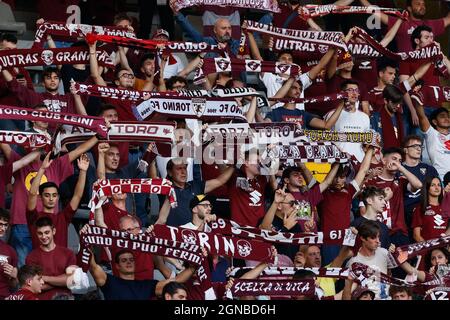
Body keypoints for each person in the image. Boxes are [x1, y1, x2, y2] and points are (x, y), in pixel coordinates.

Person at [26, 152, 89, 248]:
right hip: (38, 262)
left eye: (54, 195)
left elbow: (77, 196)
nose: (51, 198)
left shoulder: (63, 217)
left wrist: (83, 171)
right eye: (47, 195)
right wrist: (42, 169)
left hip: (62, 262)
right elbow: (32, 194)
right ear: (40, 197)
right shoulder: (34, 217)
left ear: (58, 197)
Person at [362, 147, 423, 246]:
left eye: (399, 161)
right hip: (378, 233)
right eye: (394, 159)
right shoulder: (372, 181)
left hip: (400, 232)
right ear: (384, 160)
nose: (397, 163)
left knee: (402, 261)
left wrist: (401, 167)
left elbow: (418, 185)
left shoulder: (400, 180)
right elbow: (364, 211)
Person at [87, 248, 197, 300]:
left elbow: (176, 281)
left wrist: (193, 267)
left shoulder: (147, 285)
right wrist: (86, 245)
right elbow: (93, 266)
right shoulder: (110, 281)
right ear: (117, 266)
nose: (129, 262)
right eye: (124, 260)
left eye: (131, 259)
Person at [156, 157, 234, 227]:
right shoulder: (165, 188)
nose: (183, 172)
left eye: (184, 168)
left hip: (195, 236)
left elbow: (220, 180)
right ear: (170, 172)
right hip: (174, 237)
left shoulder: (196, 186)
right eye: (179, 169)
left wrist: (235, 166)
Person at [359, 0, 450, 52]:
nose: (422, 6)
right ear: (409, 8)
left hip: (428, 69)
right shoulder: (401, 23)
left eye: (423, 4)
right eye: (418, 4)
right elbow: (375, 12)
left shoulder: (431, 24)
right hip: (407, 70)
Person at [25, 217, 76, 300]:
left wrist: (45, 278)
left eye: (47, 232)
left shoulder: (68, 253)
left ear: (54, 231)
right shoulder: (31, 257)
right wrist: (62, 280)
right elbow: (35, 287)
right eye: (40, 233)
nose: (44, 236)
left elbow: (72, 280)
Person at [346, 220, 397, 300]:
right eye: (373, 238)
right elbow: (349, 291)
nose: (378, 241)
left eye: (378, 237)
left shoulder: (384, 253)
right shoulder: (354, 262)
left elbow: (389, 277)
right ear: (362, 238)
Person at [401, 135, 440, 232]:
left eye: (420, 146)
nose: (419, 149)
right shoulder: (398, 169)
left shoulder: (429, 169)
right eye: (414, 146)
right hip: (404, 213)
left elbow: (438, 191)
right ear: (405, 150)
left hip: (426, 211)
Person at [325, 80, 370, 161]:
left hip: (359, 162)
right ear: (342, 93)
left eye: (356, 90)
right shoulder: (332, 115)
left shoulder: (365, 117)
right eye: (350, 90)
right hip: (337, 162)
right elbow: (325, 139)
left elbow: (366, 144)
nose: (354, 93)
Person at [413, 104, 450, 180]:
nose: (446, 118)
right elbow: (421, 116)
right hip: (441, 179)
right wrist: (417, 97)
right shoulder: (431, 133)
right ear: (435, 122)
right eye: (442, 116)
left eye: (448, 116)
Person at [412, 176, 450, 242]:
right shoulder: (420, 208)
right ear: (427, 188)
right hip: (429, 248)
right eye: (433, 185)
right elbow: (416, 236)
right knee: (437, 252)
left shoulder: (447, 206)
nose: (437, 188)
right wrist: (428, 248)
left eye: (439, 185)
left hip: (445, 245)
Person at [0, 209, 17, 299]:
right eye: (0, 224)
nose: (3, 228)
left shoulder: (10, 251)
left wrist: (14, 277)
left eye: (5, 225)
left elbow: (13, 285)